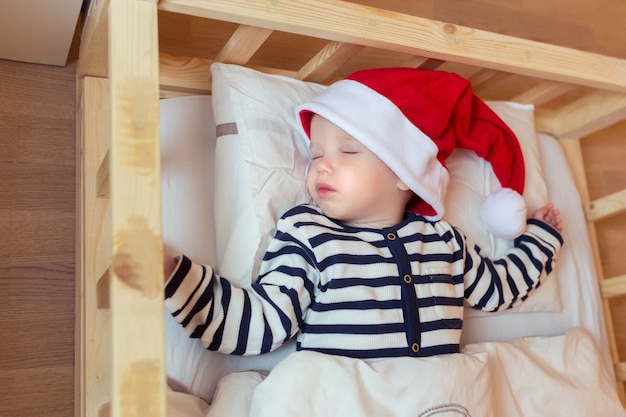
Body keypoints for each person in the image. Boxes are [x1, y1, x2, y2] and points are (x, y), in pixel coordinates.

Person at [163, 68, 563, 359]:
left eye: (348, 151)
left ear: (405, 175)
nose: (320, 165)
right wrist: (174, 276)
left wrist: (541, 237)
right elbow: (263, 322)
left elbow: (498, 288)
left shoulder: (442, 240)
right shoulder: (308, 233)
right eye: (315, 154)